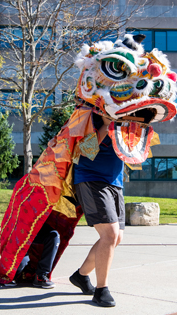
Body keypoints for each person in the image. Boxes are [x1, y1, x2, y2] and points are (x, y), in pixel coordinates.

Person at [69, 113, 124, 308]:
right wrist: (106, 125)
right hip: (91, 178)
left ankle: (81, 276)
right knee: (109, 234)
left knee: (115, 238)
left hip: (115, 181)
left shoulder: (128, 116)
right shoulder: (89, 115)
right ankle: (102, 290)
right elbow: (83, 151)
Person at [0, 223, 60, 288]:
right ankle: (10, 275)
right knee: (19, 264)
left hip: (37, 224)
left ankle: (41, 275)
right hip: (20, 227)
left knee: (54, 236)